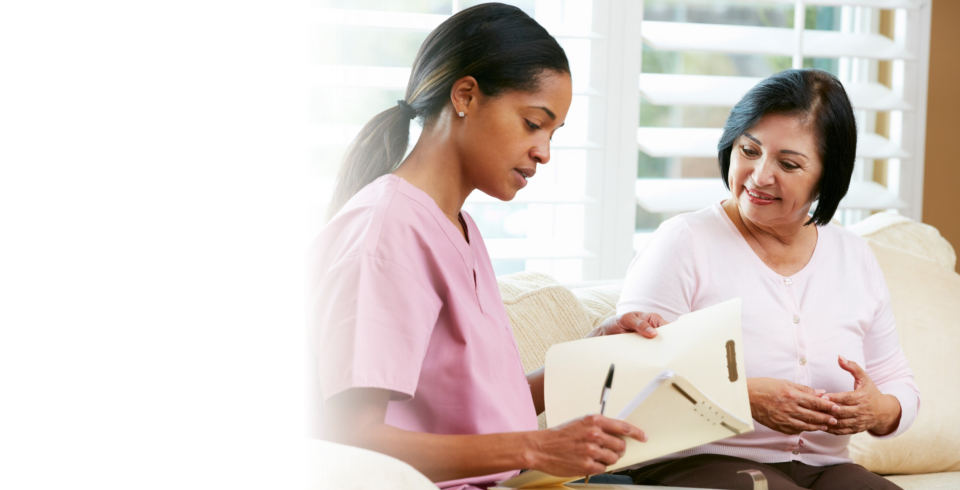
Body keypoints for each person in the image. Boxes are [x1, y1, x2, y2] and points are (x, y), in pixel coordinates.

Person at [303, 4, 657, 489]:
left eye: (553, 134)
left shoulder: (458, 226)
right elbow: (356, 443)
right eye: (534, 123)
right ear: (466, 95)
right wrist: (536, 447)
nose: (544, 152)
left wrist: (594, 352)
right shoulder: (385, 233)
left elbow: (480, 409)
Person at [613, 69, 920, 490]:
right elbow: (627, 380)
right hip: (695, 462)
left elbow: (896, 379)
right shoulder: (684, 241)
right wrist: (743, 396)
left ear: (827, 175)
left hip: (824, 467)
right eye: (749, 150)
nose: (759, 177)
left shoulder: (854, 256)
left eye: (788, 164)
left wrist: (880, 410)